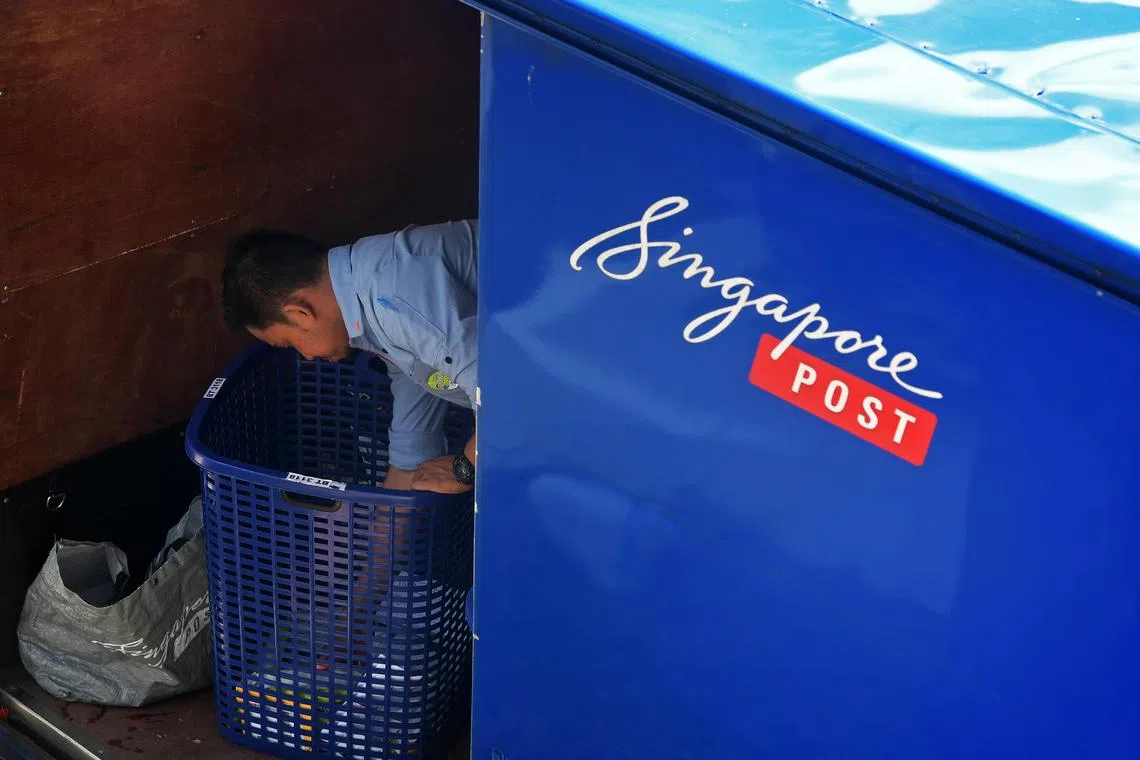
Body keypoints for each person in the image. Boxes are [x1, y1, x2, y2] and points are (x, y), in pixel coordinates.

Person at [220, 222, 478, 494]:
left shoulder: (390, 293)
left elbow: (500, 390)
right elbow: (412, 441)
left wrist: (466, 468)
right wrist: (378, 527)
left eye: (289, 343)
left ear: (300, 314)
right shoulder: (372, 314)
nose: (306, 356)